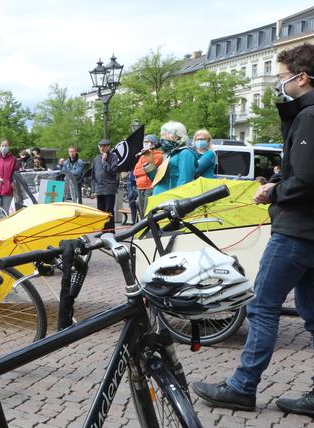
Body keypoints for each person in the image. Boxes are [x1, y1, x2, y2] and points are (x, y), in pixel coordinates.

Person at [193, 44, 314, 417]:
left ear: (302, 77)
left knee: (261, 306)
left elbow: (307, 178)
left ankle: (242, 388)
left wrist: (274, 190)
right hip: (310, 232)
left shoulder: (309, 116)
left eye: (282, 78)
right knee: (312, 315)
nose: (281, 84)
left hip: (296, 231)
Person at [151, 121, 197, 194]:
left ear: (175, 137)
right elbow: (156, 179)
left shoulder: (185, 153)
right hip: (159, 197)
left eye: (164, 135)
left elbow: (185, 181)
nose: (161, 139)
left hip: (171, 199)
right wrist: (149, 160)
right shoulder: (169, 153)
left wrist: (175, 200)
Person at [133, 135, 163, 218]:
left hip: (150, 186)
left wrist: (143, 169)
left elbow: (150, 169)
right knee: (141, 210)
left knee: (148, 210)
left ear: (153, 144)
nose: (145, 144)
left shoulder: (158, 155)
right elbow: (135, 171)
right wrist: (143, 169)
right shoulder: (142, 156)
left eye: (147, 142)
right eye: (144, 142)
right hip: (140, 186)